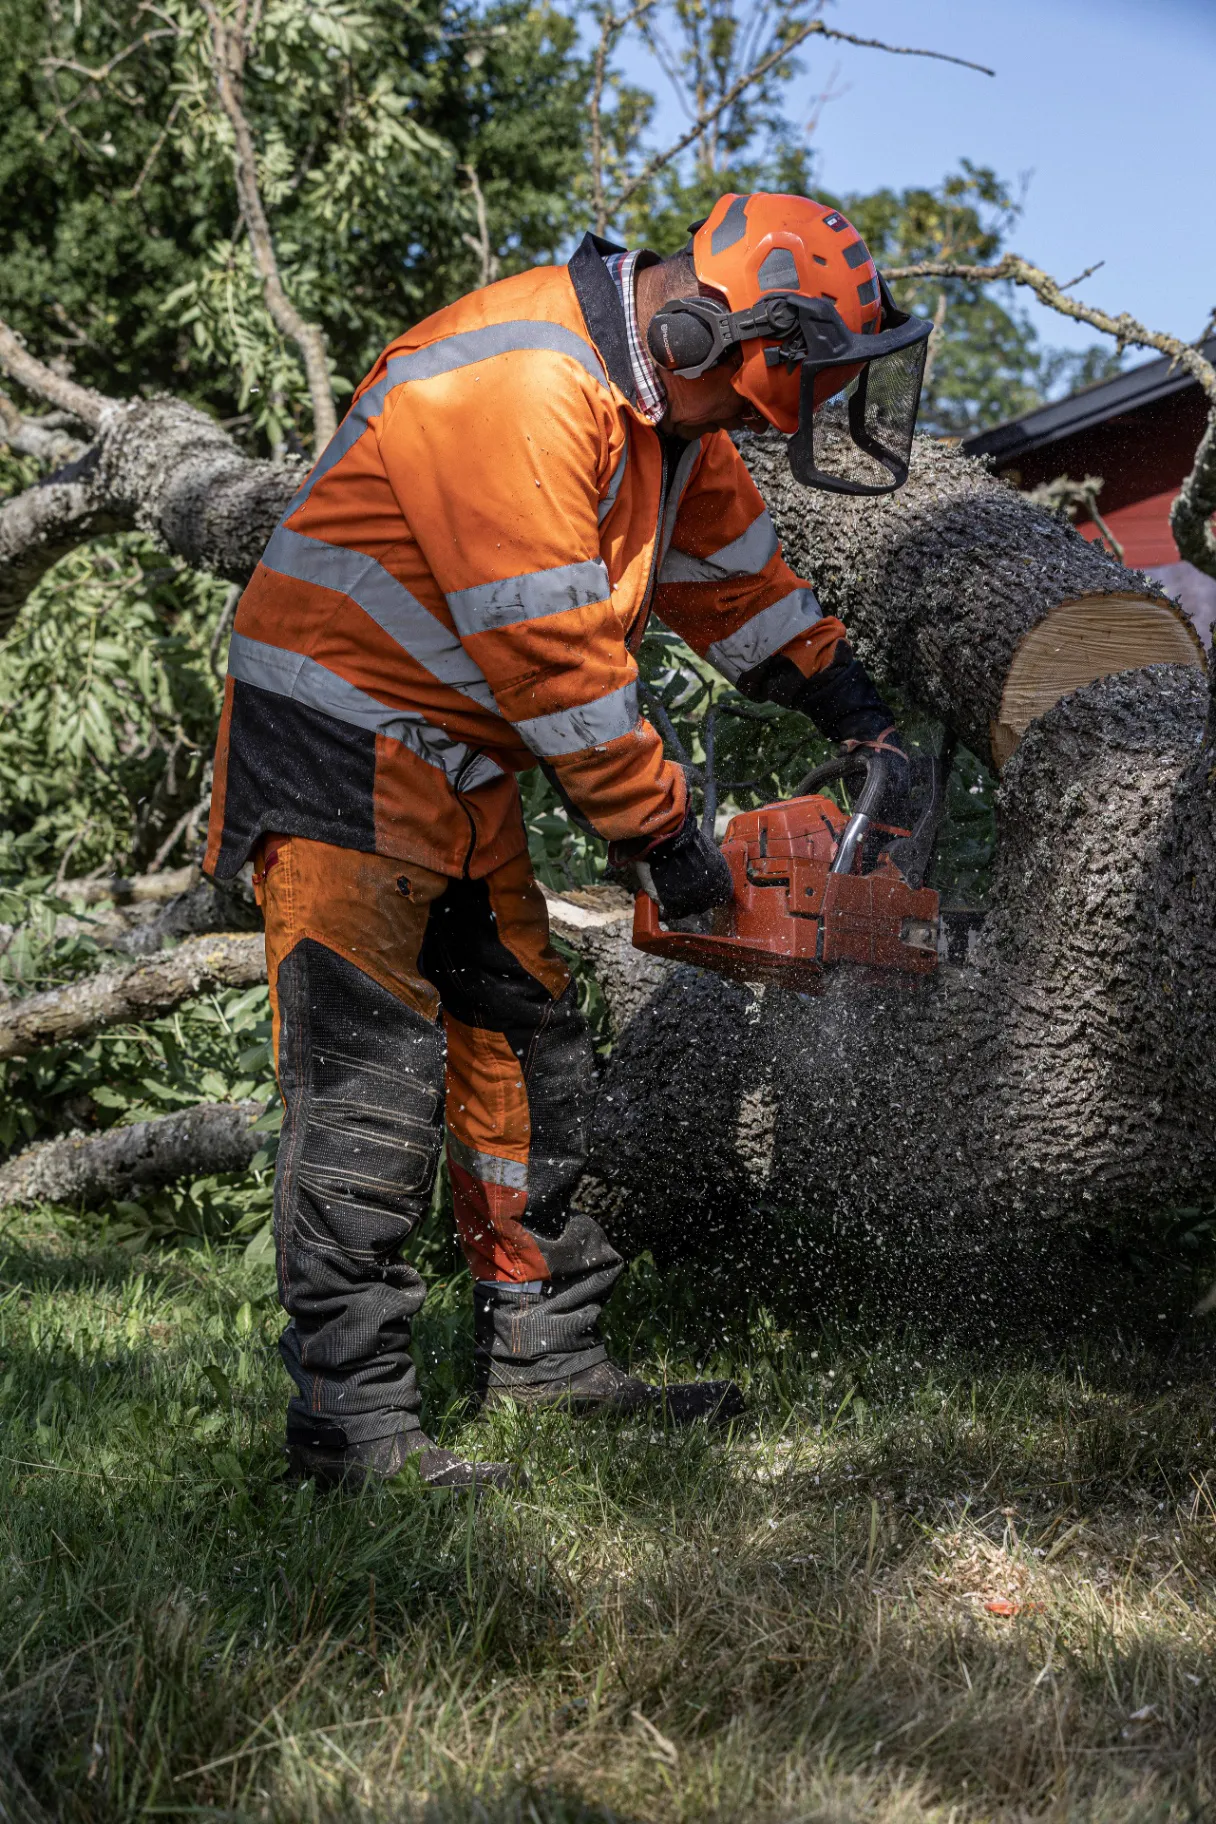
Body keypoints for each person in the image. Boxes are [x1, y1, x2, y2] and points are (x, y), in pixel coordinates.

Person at [203, 191, 933, 1490]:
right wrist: (667, 839)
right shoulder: (528, 384)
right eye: (785, 381)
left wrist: (851, 704)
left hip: (455, 757)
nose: (780, 418)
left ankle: (545, 1355)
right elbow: (554, 659)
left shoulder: (663, 418)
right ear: (711, 333)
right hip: (335, 733)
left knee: (525, 1046)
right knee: (368, 1069)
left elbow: (732, 576)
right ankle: (351, 1426)